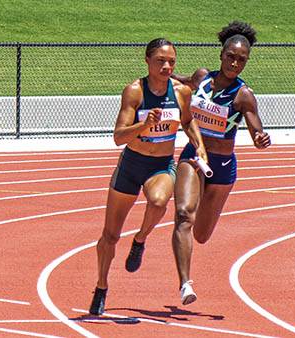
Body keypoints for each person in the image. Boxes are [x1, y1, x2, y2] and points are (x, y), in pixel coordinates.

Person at [89, 38, 207, 316]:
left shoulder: (181, 92)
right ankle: (102, 286)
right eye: (160, 61)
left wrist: (199, 144)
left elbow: (188, 121)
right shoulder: (134, 92)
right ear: (147, 61)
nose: (167, 66)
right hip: (132, 164)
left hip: (161, 164)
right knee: (110, 235)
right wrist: (145, 125)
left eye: (171, 62)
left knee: (158, 202)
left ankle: (140, 239)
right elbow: (119, 137)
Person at [171, 21, 271, 305]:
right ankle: (185, 285)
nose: (235, 63)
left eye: (242, 60)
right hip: (195, 153)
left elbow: (255, 128)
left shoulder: (243, 95)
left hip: (223, 165)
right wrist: (161, 76)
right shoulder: (203, 78)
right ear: (221, 54)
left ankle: (203, 198)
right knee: (182, 215)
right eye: (231, 56)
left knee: (201, 234)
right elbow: (183, 81)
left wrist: (261, 138)